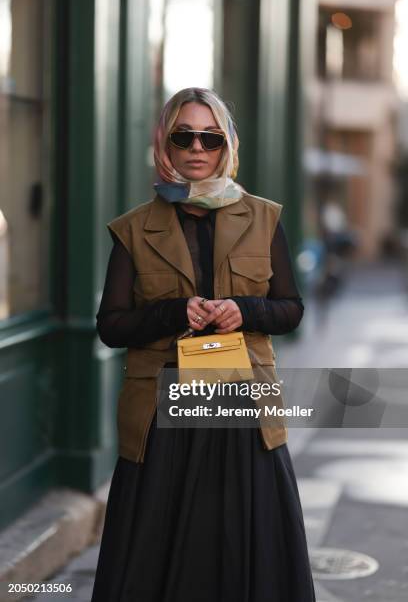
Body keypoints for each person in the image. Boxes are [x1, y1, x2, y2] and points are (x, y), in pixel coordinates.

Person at [91, 87, 316, 601]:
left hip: (242, 409)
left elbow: (292, 309)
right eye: (184, 136)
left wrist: (247, 310)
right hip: (160, 415)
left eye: (210, 138)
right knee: (156, 552)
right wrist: (172, 313)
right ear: (164, 144)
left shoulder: (265, 218)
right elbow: (111, 325)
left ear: (227, 146)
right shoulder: (132, 229)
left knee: (244, 544)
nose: (197, 148)